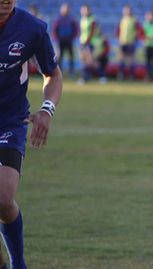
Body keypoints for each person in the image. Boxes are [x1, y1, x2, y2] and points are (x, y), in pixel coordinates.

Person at [0, 1, 63, 268]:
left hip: (9, 122)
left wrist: (47, 110)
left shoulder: (31, 29)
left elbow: (53, 74)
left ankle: (18, 264)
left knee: (3, 198)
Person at [52, 3, 79, 76]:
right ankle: (59, 72)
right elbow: (54, 30)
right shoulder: (58, 19)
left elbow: (75, 29)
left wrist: (73, 37)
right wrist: (56, 39)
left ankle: (71, 72)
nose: (66, 10)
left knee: (71, 56)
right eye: (64, 9)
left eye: (67, 9)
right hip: (60, 41)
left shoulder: (71, 19)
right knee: (60, 56)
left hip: (69, 40)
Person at [116, 5, 142, 80]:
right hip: (122, 42)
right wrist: (119, 40)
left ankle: (131, 75)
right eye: (125, 10)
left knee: (131, 60)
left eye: (128, 10)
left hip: (131, 42)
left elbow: (139, 31)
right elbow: (118, 31)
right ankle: (121, 75)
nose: (127, 12)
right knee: (121, 59)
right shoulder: (121, 20)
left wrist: (135, 39)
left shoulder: (134, 20)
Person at [78, 4, 99, 84]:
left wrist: (87, 41)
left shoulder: (92, 20)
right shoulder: (82, 19)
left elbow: (92, 32)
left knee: (89, 61)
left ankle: (98, 75)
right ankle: (85, 77)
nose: (83, 11)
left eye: (85, 10)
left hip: (89, 43)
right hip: (82, 42)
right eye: (82, 10)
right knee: (83, 61)